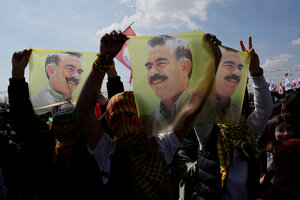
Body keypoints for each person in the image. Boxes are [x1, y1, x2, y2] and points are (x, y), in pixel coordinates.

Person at [172, 36, 273, 200]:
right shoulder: (208, 132)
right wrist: (211, 60)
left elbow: (264, 109)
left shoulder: (245, 132)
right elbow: (200, 98)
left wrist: (256, 73)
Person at [145, 35, 221, 133]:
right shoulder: (151, 119)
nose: (153, 72)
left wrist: (216, 60)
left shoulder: (211, 107)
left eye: (161, 63)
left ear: (185, 67)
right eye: (149, 66)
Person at [259, 114, 296, 191]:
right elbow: (259, 183)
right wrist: (270, 173)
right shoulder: (264, 155)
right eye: (280, 130)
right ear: (273, 132)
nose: (286, 133)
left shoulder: (296, 151)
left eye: (289, 129)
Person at [215, 46, 245, 123]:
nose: (237, 72)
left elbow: (263, 112)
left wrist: (256, 74)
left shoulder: (236, 112)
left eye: (240, 68)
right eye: (229, 66)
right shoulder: (198, 106)